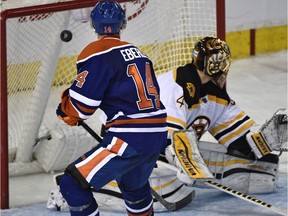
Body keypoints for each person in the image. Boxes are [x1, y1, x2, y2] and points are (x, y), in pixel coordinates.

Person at [56, 1, 167, 216]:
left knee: (72, 184)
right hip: (157, 134)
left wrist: (65, 110)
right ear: (122, 24)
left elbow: (81, 109)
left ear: (94, 24)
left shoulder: (95, 52)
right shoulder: (139, 54)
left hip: (129, 138)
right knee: (134, 187)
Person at [157, 36, 287, 193]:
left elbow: (241, 143)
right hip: (137, 159)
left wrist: (267, 137)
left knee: (264, 169)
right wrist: (186, 163)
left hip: (166, 157)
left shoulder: (216, 98)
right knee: (171, 193)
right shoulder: (174, 87)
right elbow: (164, 140)